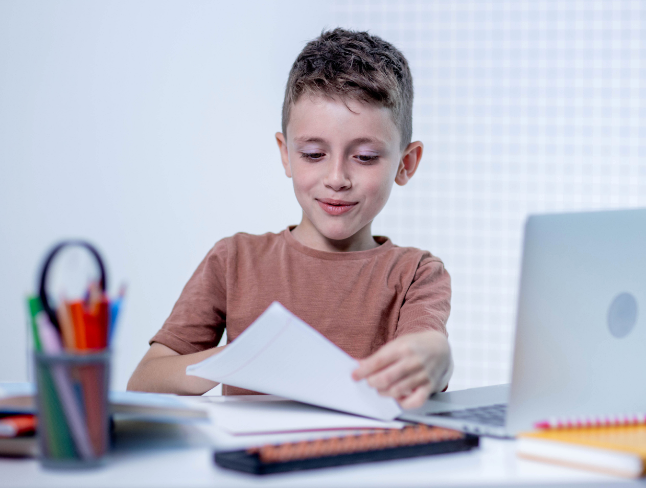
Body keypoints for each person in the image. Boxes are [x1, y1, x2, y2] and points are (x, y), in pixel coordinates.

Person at [127, 28, 453, 409]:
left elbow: (431, 350)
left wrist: (436, 358)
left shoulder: (415, 273)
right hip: (256, 465)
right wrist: (239, 360)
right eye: (314, 154)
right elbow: (145, 381)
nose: (336, 179)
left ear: (406, 163)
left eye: (364, 157)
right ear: (286, 154)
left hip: (365, 462)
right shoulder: (234, 260)